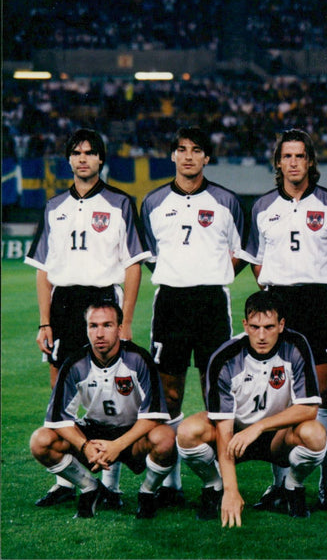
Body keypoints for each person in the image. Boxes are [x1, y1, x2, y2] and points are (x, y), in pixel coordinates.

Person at [25, 128, 150, 507]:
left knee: (107, 388)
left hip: (101, 301)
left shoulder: (120, 203)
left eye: (90, 153)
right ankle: (70, 480)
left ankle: (110, 482)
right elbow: (43, 269)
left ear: (101, 160)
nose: (83, 159)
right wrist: (45, 322)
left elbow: (132, 267)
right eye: (77, 153)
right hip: (63, 305)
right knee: (60, 394)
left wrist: (125, 320)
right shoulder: (53, 206)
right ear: (69, 160)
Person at [243, 129, 327, 511]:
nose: (293, 162)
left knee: (324, 397)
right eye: (286, 156)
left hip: (318, 302)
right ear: (278, 162)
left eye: (300, 156)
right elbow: (256, 261)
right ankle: (280, 485)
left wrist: (318, 287)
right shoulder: (261, 207)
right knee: (280, 396)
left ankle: (325, 484)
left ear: (310, 162)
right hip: (276, 303)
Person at [140, 126, 247, 506]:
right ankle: (171, 483)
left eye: (196, 150)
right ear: (173, 156)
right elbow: (151, 255)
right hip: (169, 302)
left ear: (206, 158)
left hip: (211, 304)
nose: (188, 156)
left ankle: (214, 482)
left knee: (213, 393)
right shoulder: (152, 203)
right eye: (181, 149)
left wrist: (209, 276)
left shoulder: (226, 201)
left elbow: (238, 254)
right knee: (168, 393)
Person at [176, 291, 327, 525]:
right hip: (236, 437)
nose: (262, 335)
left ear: (281, 325)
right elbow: (224, 431)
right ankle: (213, 487)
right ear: (245, 325)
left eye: (269, 326)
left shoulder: (296, 345)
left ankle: (292, 487)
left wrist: (258, 427)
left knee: (315, 434)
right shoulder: (224, 358)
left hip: (279, 437)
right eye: (255, 327)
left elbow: (309, 409)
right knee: (187, 432)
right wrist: (231, 490)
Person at [29, 301, 175, 519]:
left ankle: (147, 493)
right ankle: (92, 488)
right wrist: (85, 446)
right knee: (40, 440)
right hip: (94, 433)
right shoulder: (74, 364)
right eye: (93, 326)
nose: (99, 333)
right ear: (86, 329)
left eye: (107, 325)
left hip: (132, 435)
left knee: (165, 438)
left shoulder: (138, 359)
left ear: (119, 328)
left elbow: (153, 416)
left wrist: (117, 445)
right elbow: (58, 419)